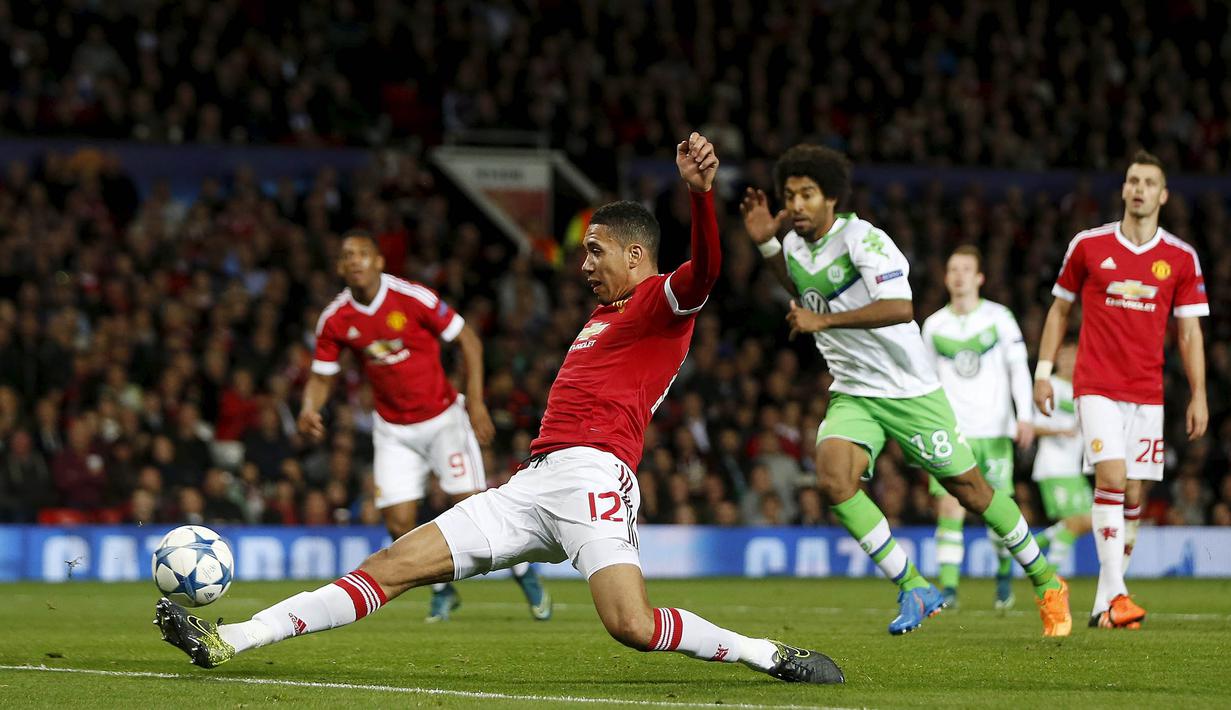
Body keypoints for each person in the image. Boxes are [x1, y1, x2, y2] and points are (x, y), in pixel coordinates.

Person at [154, 133, 845, 685]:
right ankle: (229, 640)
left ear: (637, 256)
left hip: (594, 480)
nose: (584, 264)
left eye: (595, 251)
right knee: (391, 563)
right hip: (533, 482)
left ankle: (765, 654)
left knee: (630, 626)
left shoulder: (659, 300)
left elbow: (708, 273)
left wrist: (699, 198)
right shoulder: (602, 316)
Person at [741, 143, 1070, 636]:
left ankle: (1047, 582)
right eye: (790, 195)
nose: (797, 204)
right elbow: (802, 288)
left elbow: (899, 306)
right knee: (833, 480)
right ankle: (915, 584)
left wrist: (822, 320)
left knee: (974, 492)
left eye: (808, 193)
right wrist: (767, 244)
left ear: (832, 197)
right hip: (854, 390)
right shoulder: (792, 244)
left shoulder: (865, 240)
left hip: (909, 390)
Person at [298, 227, 551, 622]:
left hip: (444, 419)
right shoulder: (335, 319)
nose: (355, 261)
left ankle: (525, 575)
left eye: (362, 253)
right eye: (347, 256)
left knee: (472, 510)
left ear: (379, 261)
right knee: (398, 522)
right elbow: (321, 376)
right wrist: (309, 408)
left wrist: (477, 402)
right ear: (339, 267)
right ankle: (442, 591)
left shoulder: (411, 297)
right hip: (393, 430)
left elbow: (468, 339)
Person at [1034, 149, 1208, 629]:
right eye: (1133, 180)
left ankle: (1104, 603)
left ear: (1163, 195)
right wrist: (1043, 370)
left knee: (1133, 492)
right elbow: (1059, 310)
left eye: (1149, 182)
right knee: (1111, 477)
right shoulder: (1089, 246)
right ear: (1123, 189)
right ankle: (1119, 595)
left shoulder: (1180, 257)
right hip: (1096, 385)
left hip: (1147, 391)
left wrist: (1199, 393)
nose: (1139, 189)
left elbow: (1190, 332)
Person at [920, 246, 1035, 611]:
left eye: (967, 269)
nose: (959, 275)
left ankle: (1003, 576)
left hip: (994, 430)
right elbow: (924, 381)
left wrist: (1026, 414)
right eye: (953, 269)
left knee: (996, 509)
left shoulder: (999, 318)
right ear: (946, 277)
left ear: (980, 277)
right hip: (950, 433)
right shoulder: (934, 325)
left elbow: (1018, 367)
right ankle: (950, 589)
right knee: (949, 508)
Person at [1031, 344, 1092, 570]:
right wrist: (1059, 431)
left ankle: (1030, 547)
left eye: (1073, 357)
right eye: (1064, 357)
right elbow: (1033, 426)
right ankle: (1050, 575)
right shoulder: (1049, 386)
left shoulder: (1083, 388)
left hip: (1073, 467)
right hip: (1053, 465)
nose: (1068, 362)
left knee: (1088, 521)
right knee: (1076, 522)